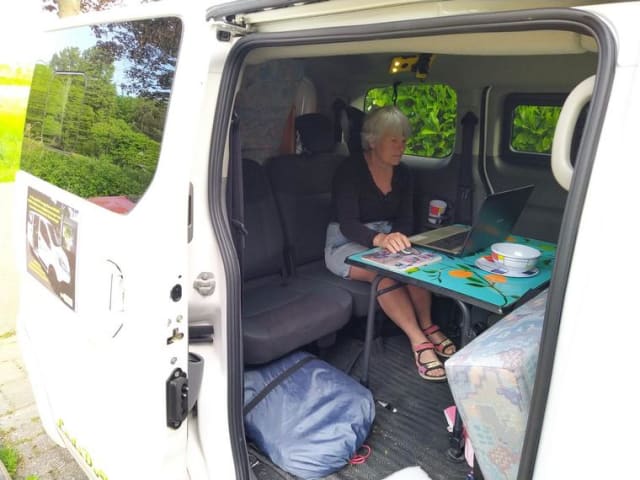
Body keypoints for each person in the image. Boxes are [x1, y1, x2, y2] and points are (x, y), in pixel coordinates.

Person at [325, 105, 456, 382]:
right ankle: (418, 340)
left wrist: (397, 239)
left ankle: (428, 325)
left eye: (404, 140)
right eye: (393, 140)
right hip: (346, 242)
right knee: (384, 275)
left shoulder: (404, 173)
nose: (401, 147)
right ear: (373, 141)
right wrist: (381, 240)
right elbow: (348, 223)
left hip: (384, 238)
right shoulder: (349, 170)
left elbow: (406, 219)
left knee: (414, 268)